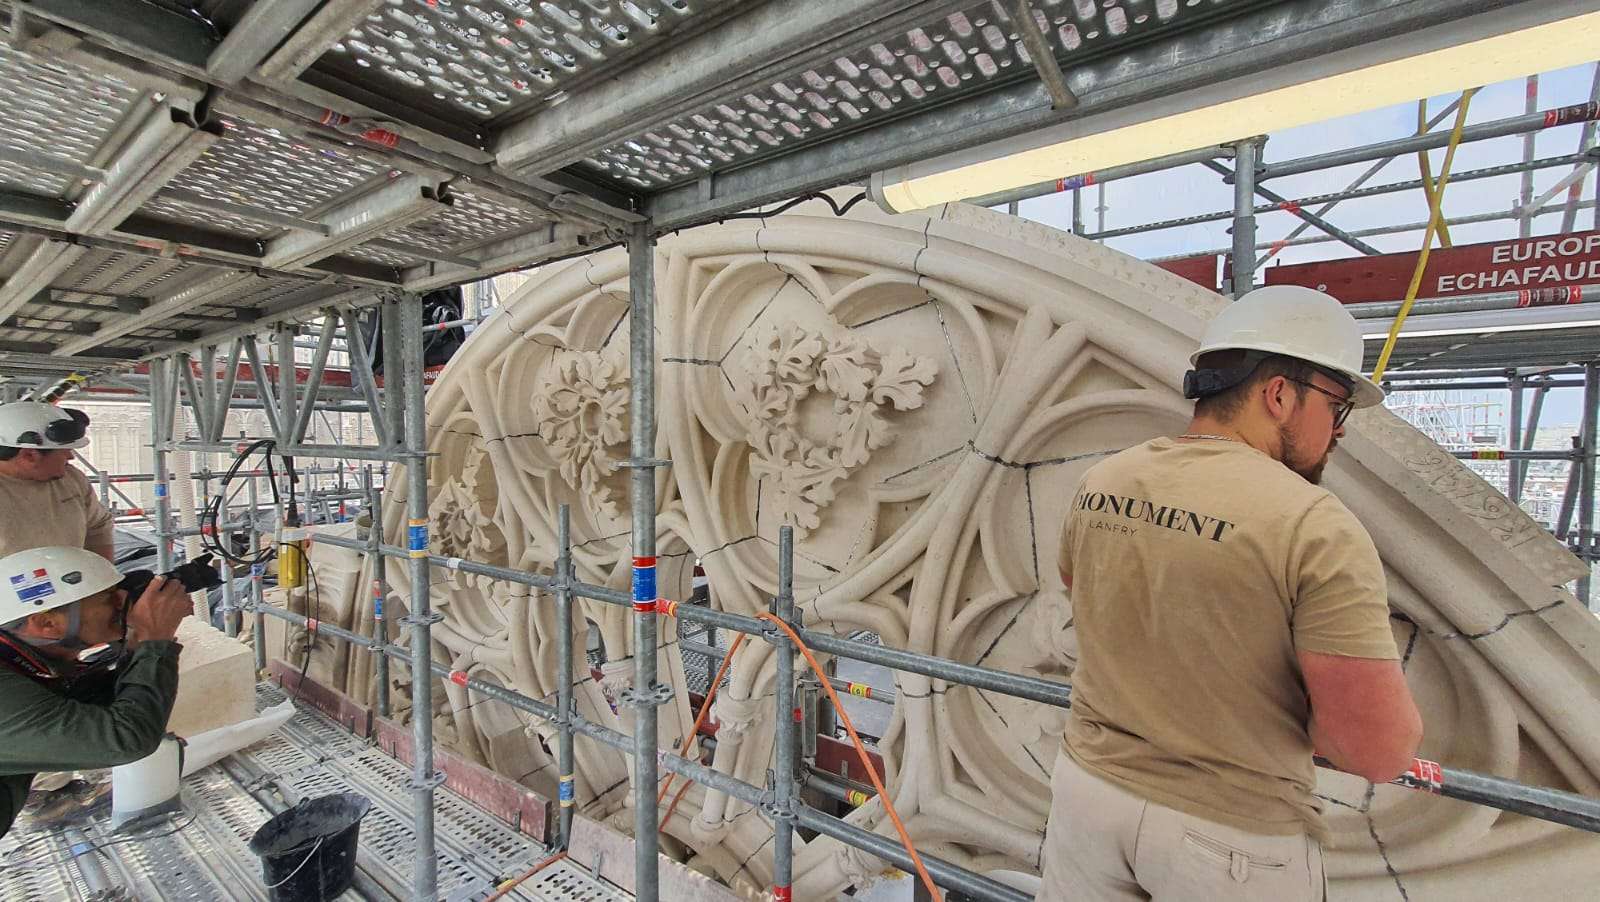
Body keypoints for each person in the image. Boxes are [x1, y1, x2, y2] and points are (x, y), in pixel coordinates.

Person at [1041, 285, 1423, 901]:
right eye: (1338, 405)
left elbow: (1077, 586)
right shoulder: (1311, 522)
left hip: (1087, 795)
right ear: (1278, 394)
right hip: (1228, 836)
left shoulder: (1105, 479)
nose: (1340, 430)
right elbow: (1374, 750)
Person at [0, 546, 190, 838]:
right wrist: (154, 639)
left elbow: (103, 701)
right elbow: (125, 737)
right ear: (46, 623)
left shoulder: (26, 665)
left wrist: (138, 644)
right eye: (108, 599)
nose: (123, 602)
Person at [0, 402, 115, 561]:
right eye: (65, 451)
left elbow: (98, 528)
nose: (71, 457)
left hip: (74, 583)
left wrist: (104, 580)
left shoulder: (72, 479)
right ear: (30, 455)